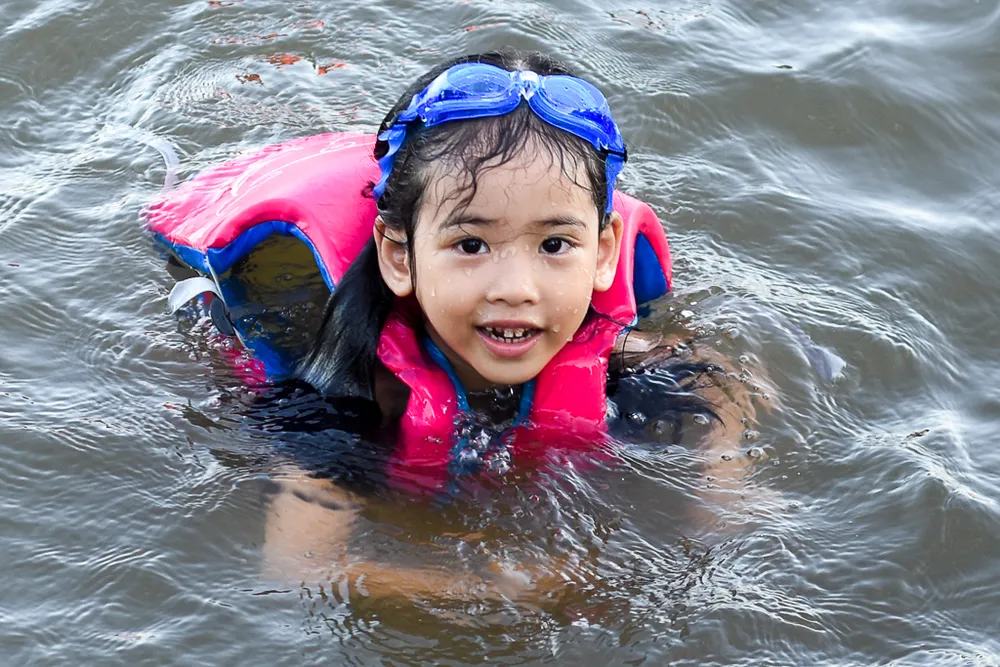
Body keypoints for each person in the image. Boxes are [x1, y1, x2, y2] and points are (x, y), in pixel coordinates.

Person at [245, 49, 772, 597]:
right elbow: (297, 570)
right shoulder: (340, 398)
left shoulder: (625, 361)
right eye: (471, 244)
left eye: (555, 244)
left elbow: (720, 376)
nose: (517, 288)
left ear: (603, 252)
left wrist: (723, 491)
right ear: (399, 256)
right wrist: (487, 588)